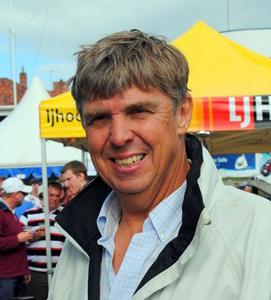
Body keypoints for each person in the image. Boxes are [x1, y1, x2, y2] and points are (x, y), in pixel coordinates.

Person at [49, 30, 271, 300]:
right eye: (99, 118)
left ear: (182, 114)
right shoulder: (78, 237)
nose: (119, 136)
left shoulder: (258, 229)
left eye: (139, 111)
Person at [20, 181, 65, 300]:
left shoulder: (65, 214)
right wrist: (33, 237)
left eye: (57, 195)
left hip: (60, 271)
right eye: (51, 195)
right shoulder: (29, 215)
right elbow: (19, 241)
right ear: (44, 195)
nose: (54, 199)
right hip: (36, 271)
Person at [0, 177, 33, 299]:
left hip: (13, 274)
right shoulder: (2, 212)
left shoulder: (9, 212)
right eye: (23, 193)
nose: (24, 197)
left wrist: (23, 270)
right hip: (5, 276)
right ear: (15, 195)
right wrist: (18, 239)